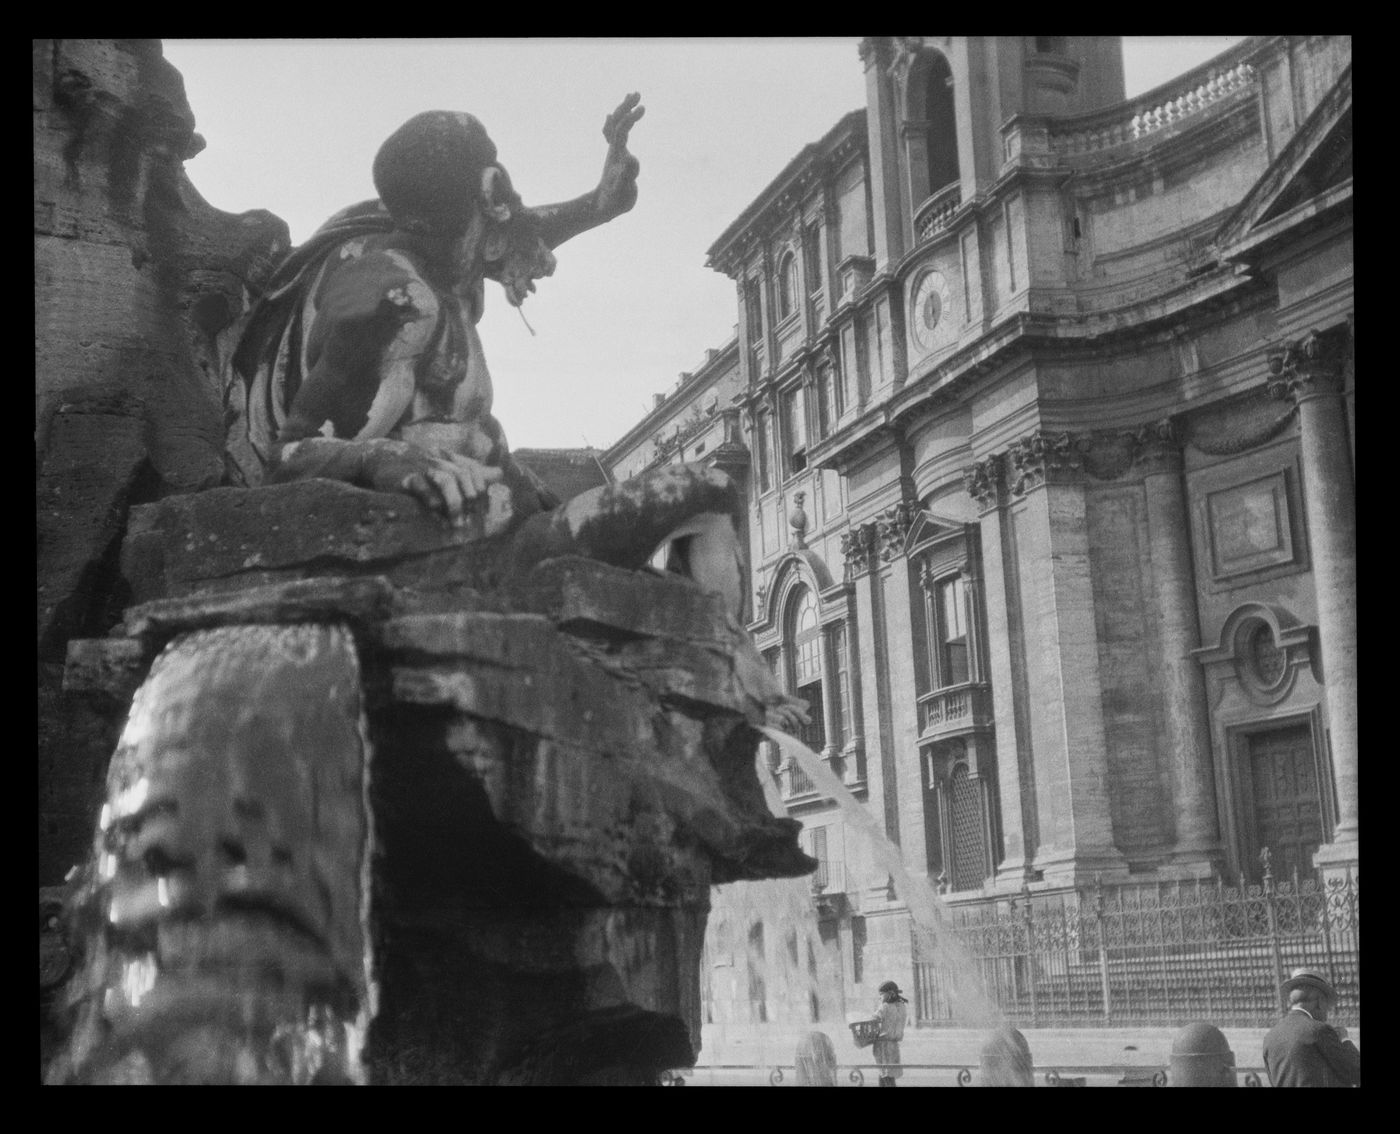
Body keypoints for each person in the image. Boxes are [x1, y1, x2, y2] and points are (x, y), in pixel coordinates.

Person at [225, 94, 646, 528]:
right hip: (422, 537)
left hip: (484, 506)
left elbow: (517, 230)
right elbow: (291, 454)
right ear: (493, 189)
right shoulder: (398, 301)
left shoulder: (444, 263)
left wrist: (599, 203)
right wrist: (384, 458)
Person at [1262, 967, 1360, 1087]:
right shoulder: (1319, 1030)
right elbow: (1356, 1072)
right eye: (1327, 1005)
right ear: (1320, 1002)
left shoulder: (1270, 1037)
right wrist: (1345, 1040)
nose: (1326, 1012)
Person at [872, 980, 907, 1088]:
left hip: (883, 1045)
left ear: (890, 994)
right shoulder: (902, 1006)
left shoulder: (885, 1007)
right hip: (894, 1045)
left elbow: (873, 1019)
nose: (880, 997)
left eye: (881, 995)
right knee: (888, 1073)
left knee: (885, 1074)